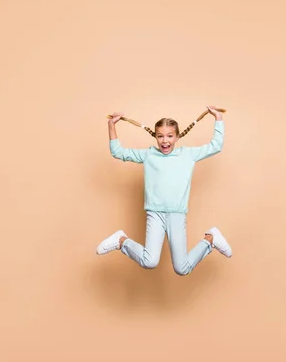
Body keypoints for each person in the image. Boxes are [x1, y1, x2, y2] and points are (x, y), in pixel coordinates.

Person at [95, 105, 233, 276]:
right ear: (155, 137)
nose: (165, 140)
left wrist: (218, 119)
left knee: (182, 268)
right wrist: (111, 125)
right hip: (155, 214)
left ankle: (210, 239)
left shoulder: (188, 155)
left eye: (169, 136)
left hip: (177, 214)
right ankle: (121, 241)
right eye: (160, 136)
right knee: (150, 261)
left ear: (177, 136)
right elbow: (118, 152)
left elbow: (215, 146)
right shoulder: (149, 155)